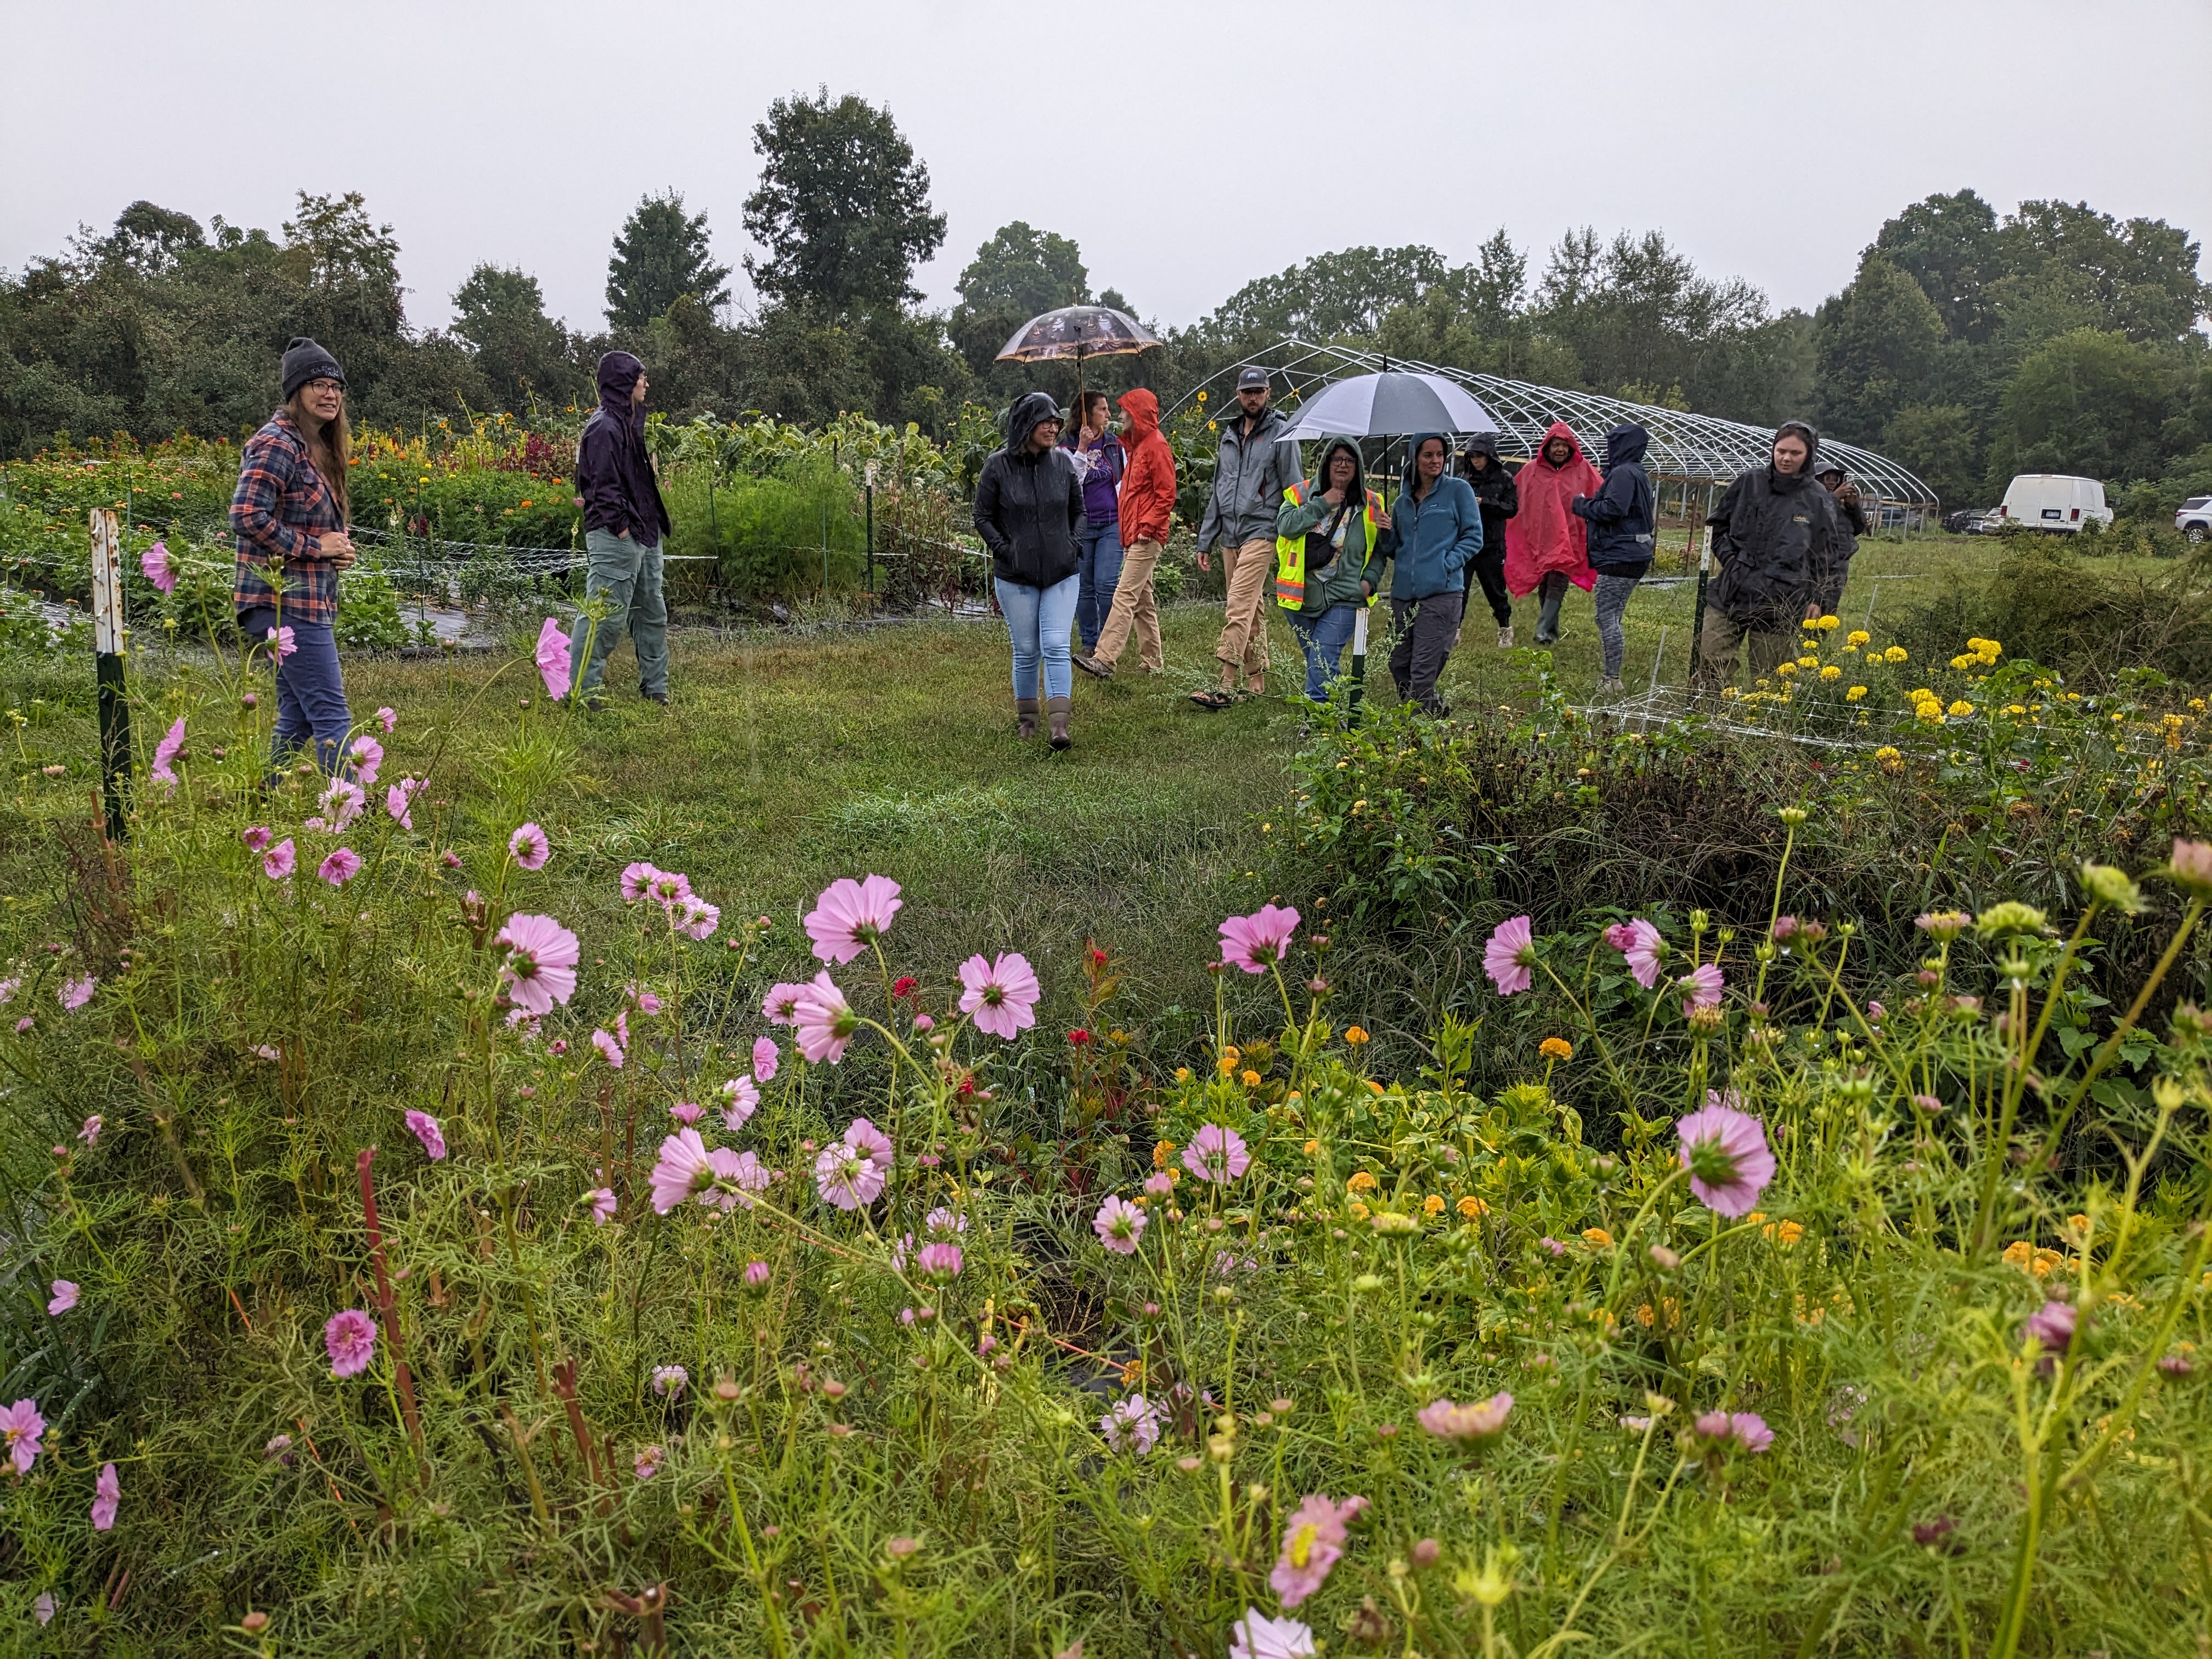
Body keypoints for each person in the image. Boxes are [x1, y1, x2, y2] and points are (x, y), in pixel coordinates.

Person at [231, 336, 359, 774]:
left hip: (304, 599)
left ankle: (258, 803)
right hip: (282, 602)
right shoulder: (278, 442)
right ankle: (347, 817)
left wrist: (337, 550)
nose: (330, 394)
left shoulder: (317, 447)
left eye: (336, 387)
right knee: (330, 716)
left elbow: (309, 521)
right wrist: (314, 548)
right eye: (318, 384)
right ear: (295, 392)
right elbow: (247, 515)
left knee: (300, 717)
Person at [1695, 420, 1842, 690]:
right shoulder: (1749, 483)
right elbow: (1719, 527)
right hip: (1733, 589)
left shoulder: (1817, 499)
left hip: (1783, 598)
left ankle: (1762, 728)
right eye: (1781, 451)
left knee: (1771, 680)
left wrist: (1821, 599)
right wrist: (1730, 560)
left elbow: (1829, 556)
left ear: (1809, 455)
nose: (1786, 458)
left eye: (1795, 453)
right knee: (1710, 661)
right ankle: (1708, 722)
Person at [974, 391, 1084, 747]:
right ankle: (1027, 720)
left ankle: (1059, 726)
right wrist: (1006, 550)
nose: (1054, 427)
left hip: (1062, 572)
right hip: (1015, 576)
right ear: (1026, 425)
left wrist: (1073, 543)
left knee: (1055, 643)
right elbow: (983, 517)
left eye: (1056, 421)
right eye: (1046, 421)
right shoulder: (997, 467)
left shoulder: (1064, 465)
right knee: (1025, 649)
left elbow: (1079, 512)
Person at [1191, 367, 1300, 711]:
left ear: (1269, 393)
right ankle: (1256, 679)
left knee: (1238, 603)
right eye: (1247, 392)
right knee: (1251, 608)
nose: (1252, 397)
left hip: (1264, 528)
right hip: (1231, 534)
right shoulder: (1228, 437)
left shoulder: (1282, 434)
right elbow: (1218, 491)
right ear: (1238, 395)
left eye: (1259, 391)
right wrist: (1205, 539)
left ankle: (1224, 684)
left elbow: (1295, 486)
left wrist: (1295, 532)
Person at [573, 351, 673, 708]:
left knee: (652, 611)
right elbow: (599, 488)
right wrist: (621, 531)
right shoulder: (604, 427)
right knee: (605, 617)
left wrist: (649, 527)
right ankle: (583, 692)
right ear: (624, 383)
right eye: (640, 377)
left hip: (646, 530)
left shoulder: (628, 421)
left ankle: (656, 686)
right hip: (619, 534)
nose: (645, 383)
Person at [1272, 433, 1386, 703]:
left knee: (1322, 657)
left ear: (1358, 466)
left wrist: (1369, 582)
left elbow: (1381, 551)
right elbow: (1285, 527)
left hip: (1346, 594)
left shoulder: (1372, 503)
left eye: (1350, 460)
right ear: (1327, 462)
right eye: (1337, 459)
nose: (1343, 465)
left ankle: (1319, 722)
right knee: (1318, 661)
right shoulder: (1301, 494)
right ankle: (1333, 720)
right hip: (1301, 596)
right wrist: (1323, 502)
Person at [1376, 433, 1483, 714]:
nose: (1435, 461)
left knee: (1423, 668)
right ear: (1415, 458)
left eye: (1439, 455)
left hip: (1441, 593)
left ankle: (1418, 732)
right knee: (1398, 662)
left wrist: (1447, 563)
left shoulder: (1459, 491)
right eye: (1428, 455)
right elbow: (1393, 549)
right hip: (1403, 595)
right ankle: (1434, 710)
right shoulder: (1402, 503)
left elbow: (1474, 536)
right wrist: (1384, 531)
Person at [1077, 388, 1176, 680]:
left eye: (1125, 411)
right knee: (1143, 601)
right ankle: (1153, 662)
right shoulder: (1139, 447)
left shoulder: (1156, 447)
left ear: (1138, 415)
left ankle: (1105, 658)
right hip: (1136, 533)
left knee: (1124, 595)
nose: (1120, 417)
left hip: (1147, 535)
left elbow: (1167, 494)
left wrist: (1147, 527)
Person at [1570, 423, 1657, 695]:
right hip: (1633, 552)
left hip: (1620, 554)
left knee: (1607, 616)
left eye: (1614, 444)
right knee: (1612, 614)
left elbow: (1613, 509)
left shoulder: (1623, 473)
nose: (1609, 450)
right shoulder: (1637, 473)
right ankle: (1612, 677)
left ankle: (1612, 679)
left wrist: (1582, 505)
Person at [1503, 421, 1601, 646]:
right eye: (1556, 444)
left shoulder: (1583, 469)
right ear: (1547, 447)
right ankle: (1550, 633)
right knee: (1546, 583)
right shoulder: (1532, 470)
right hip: (1540, 539)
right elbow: (1516, 497)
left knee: (1559, 580)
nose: (1560, 449)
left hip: (1570, 539)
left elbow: (1600, 492)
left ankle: (1542, 630)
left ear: (1571, 447)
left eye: (1564, 445)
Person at [1060, 391, 1127, 657]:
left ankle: (1108, 644)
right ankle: (1090, 643)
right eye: (1102, 410)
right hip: (1082, 525)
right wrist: (1083, 449)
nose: (1109, 415)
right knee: (1084, 587)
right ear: (1087, 414)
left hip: (1112, 523)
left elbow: (1125, 481)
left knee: (1107, 584)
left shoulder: (1114, 445)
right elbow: (1070, 486)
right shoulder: (1065, 448)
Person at [1455, 434, 1519, 646]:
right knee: (1459, 588)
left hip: (1492, 544)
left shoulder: (1505, 479)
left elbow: (1511, 509)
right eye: (1472, 456)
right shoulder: (1463, 479)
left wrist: (1485, 503)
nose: (1475, 460)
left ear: (1489, 456)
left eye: (1480, 456)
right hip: (1466, 544)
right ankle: (1454, 630)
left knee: (1495, 589)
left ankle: (1504, 628)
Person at [1812, 457, 1869, 617]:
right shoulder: (1812, 502)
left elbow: (1859, 528)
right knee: (1809, 609)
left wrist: (1853, 506)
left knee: (1829, 611)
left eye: (1835, 479)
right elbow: (1817, 522)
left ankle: (1819, 640)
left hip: (1839, 566)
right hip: (1816, 566)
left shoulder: (1843, 508)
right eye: (1826, 478)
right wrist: (1834, 498)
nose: (1831, 482)